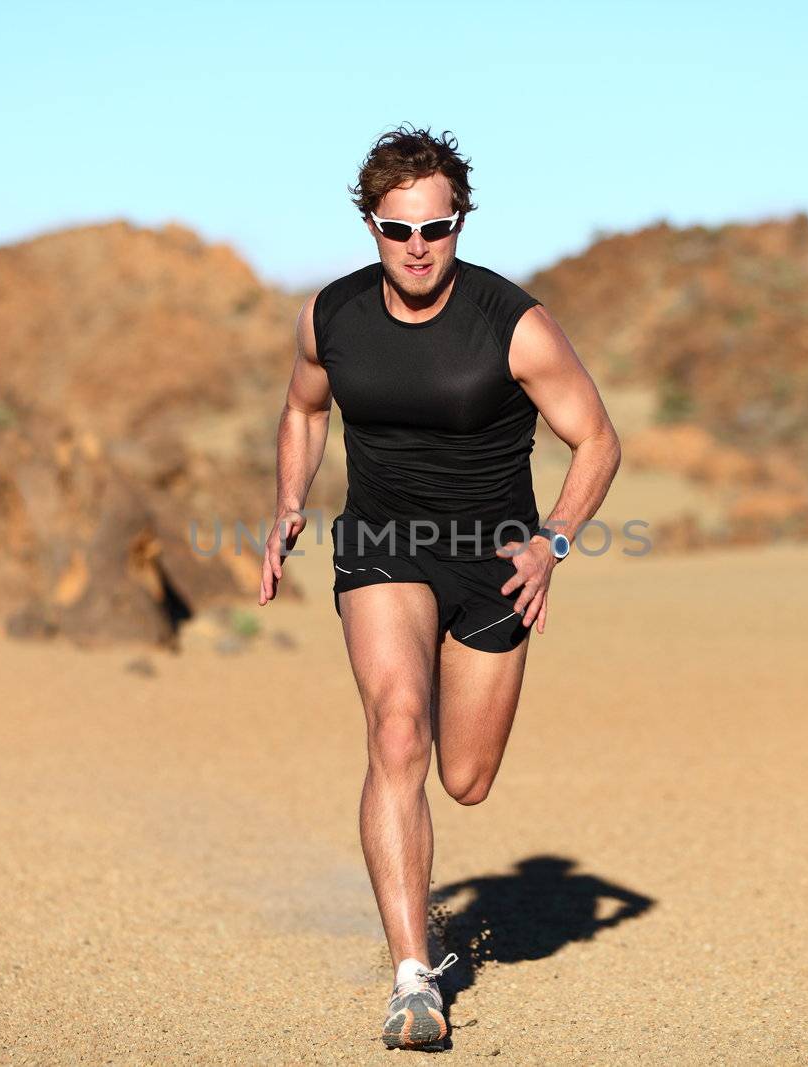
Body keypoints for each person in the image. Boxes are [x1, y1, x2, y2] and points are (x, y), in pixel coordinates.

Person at [258, 124, 621, 1050]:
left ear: (461, 222)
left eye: (438, 226)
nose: (418, 247)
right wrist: (288, 503)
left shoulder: (513, 322)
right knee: (396, 730)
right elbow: (303, 408)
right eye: (397, 228)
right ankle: (413, 976)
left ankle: (430, 929)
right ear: (370, 225)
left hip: (497, 564)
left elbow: (598, 439)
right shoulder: (331, 316)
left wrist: (552, 544)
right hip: (383, 544)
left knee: (464, 778)